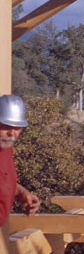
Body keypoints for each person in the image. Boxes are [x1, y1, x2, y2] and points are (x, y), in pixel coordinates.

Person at [0, 94, 40, 225]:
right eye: (6, 126)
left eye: (17, 128)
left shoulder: (6, 148)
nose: (12, 133)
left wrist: (21, 192)